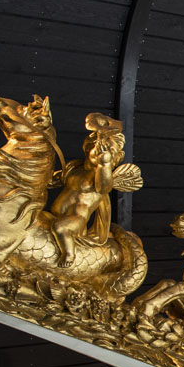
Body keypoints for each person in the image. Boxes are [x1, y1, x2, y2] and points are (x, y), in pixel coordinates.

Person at [49, 114, 137, 267]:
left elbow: (104, 186)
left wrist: (105, 164)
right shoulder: (75, 168)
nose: (99, 152)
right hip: (54, 215)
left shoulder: (99, 177)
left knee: (60, 227)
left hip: (76, 221)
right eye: (97, 148)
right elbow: (52, 180)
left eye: (107, 151)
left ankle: (69, 254)